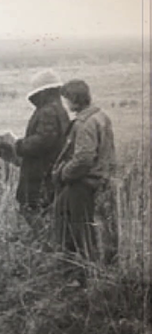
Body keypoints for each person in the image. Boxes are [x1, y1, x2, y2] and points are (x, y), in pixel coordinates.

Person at [50, 79, 117, 281]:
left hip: (84, 184)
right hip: (102, 180)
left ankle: (83, 273)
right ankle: (97, 270)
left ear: (73, 100)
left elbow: (83, 159)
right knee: (97, 227)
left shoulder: (84, 123)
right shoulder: (100, 116)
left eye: (66, 99)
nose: (65, 104)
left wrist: (63, 173)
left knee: (79, 229)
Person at [14, 69, 72, 235]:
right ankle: (48, 242)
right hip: (49, 168)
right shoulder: (58, 109)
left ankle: (46, 243)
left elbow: (44, 140)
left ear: (43, 92)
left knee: (31, 208)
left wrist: (19, 145)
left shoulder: (47, 111)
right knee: (44, 209)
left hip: (39, 170)